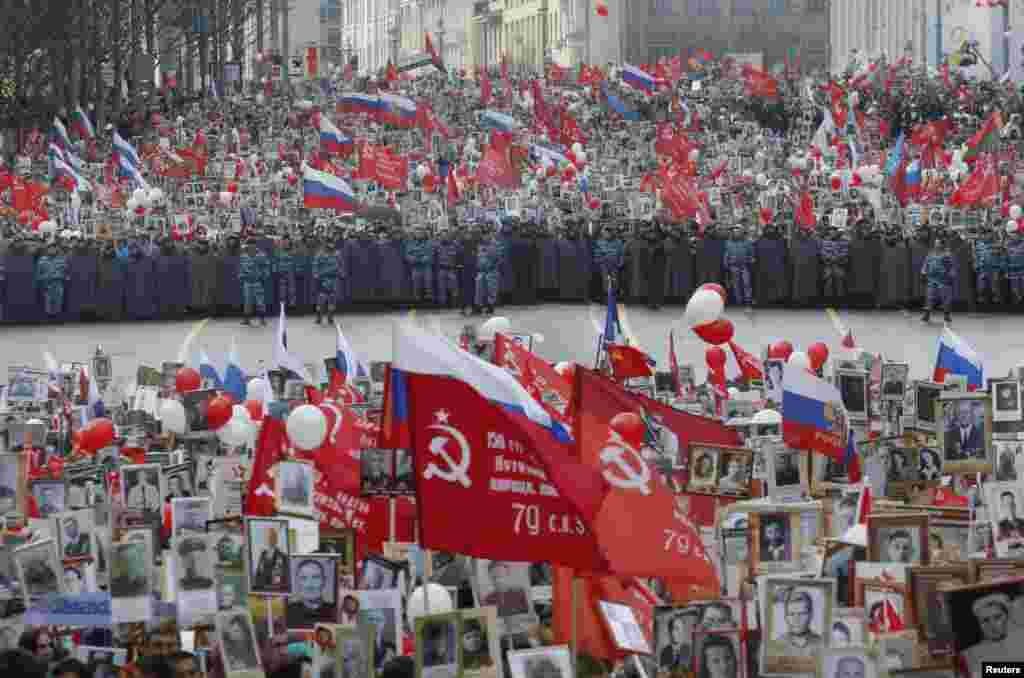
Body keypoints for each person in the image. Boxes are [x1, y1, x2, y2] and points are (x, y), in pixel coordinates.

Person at [962, 593, 1024, 675]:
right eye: (985, 620)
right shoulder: (971, 655)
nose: (992, 625)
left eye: (997, 617)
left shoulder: (1020, 640)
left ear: (1007, 617)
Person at [767, 589, 823, 656]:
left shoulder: (822, 644)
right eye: (791, 614)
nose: (796, 619)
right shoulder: (776, 646)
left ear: (811, 615)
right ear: (786, 617)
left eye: (802, 613)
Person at [287, 559, 336, 627]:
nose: (309, 584)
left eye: (315, 577)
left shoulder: (335, 611)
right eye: (304, 578)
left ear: (324, 581)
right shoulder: (288, 612)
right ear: (297, 582)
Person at [920, 233, 956, 324]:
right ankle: (927, 314)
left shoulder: (946, 255)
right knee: (929, 296)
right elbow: (926, 263)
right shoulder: (931, 254)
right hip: (932, 279)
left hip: (942, 279)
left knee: (945, 297)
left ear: (942, 244)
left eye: (938, 243)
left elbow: (951, 266)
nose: (936, 245)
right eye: (935, 243)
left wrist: (951, 275)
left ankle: (947, 314)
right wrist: (923, 271)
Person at [239, 237, 270, 326]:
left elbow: (266, 267)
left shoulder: (261, 255)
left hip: (257, 281)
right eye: (249, 244)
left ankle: (262, 319)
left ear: (255, 245)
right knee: (247, 301)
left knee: (260, 301)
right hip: (247, 281)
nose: (250, 246)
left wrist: (264, 276)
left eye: (252, 244)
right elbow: (241, 267)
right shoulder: (243, 256)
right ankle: (246, 319)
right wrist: (241, 276)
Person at [252, 526, 289, 591]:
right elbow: (258, 573)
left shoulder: (282, 556)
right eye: (268, 537)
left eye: (272, 537)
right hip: (261, 590)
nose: (270, 539)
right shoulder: (263, 554)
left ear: (276, 539)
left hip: (275, 590)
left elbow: (282, 578)